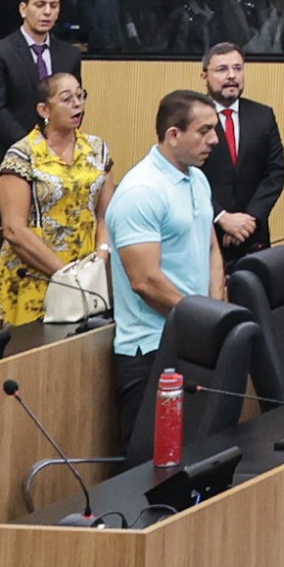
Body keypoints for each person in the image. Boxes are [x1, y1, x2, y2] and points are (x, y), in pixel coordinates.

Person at [105, 88, 229, 374]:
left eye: (214, 129)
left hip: (195, 336)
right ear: (173, 135)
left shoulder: (198, 178)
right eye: (204, 131)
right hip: (152, 347)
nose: (214, 139)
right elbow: (145, 281)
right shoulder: (141, 191)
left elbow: (211, 247)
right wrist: (202, 320)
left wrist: (215, 312)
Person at [0, 68, 112, 335]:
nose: (77, 104)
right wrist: (67, 276)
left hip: (88, 276)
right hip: (34, 274)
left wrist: (100, 258)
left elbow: (105, 215)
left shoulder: (97, 149)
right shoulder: (22, 155)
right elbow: (14, 229)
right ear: (44, 109)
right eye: (67, 99)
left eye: (80, 96)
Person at [0, 0, 78, 179]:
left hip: (58, 164)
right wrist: (36, 148)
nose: (47, 12)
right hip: (8, 160)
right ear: (23, 9)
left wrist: (58, 148)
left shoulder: (69, 54)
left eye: (54, 6)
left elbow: (74, 104)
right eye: (40, 5)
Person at [189, 40, 284, 246]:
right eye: (222, 69)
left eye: (238, 68)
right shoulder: (191, 118)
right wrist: (221, 217)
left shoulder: (263, 116)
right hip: (206, 234)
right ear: (204, 76)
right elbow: (185, 175)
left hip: (252, 234)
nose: (232, 76)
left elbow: (275, 173)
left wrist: (249, 220)